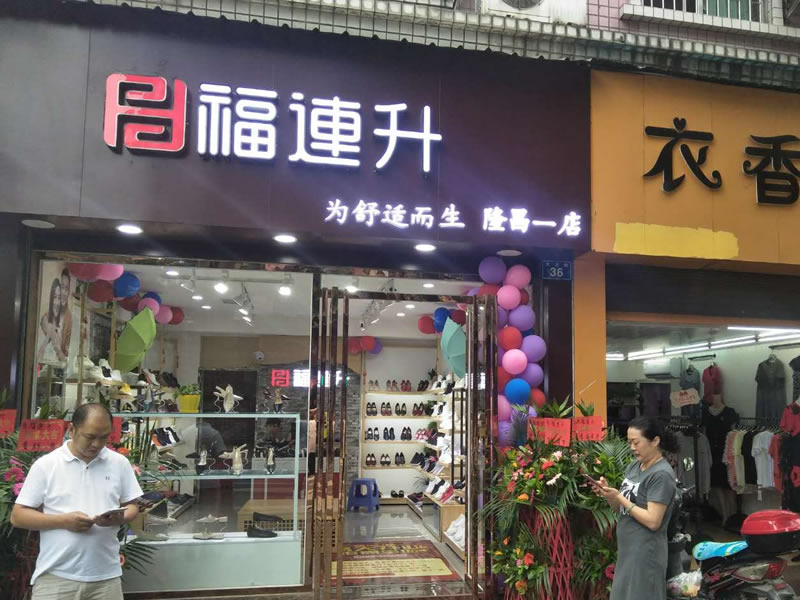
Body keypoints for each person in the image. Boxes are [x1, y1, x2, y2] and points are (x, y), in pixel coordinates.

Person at [11, 403, 142, 600]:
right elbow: (18, 516)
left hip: (106, 577)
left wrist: (119, 518)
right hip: (56, 577)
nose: (97, 444)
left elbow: (132, 505)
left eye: (104, 437)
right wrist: (64, 521)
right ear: (72, 430)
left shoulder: (119, 463)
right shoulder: (47, 465)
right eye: (90, 436)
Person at [593, 416, 678, 600]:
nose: (632, 447)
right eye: (629, 442)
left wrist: (620, 498)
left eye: (636, 442)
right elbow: (621, 510)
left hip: (646, 552)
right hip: (628, 550)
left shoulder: (661, 475)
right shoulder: (634, 467)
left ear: (655, 441)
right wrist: (609, 495)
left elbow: (653, 521)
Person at [37, 278, 64, 363]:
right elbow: (38, 357)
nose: (57, 302)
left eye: (59, 298)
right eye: (55, 297)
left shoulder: (59, 322)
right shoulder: (46, 318)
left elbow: (61, 356)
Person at [58, 268, 74, 361]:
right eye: (62, 287)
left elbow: (67, 346)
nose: (64, 292)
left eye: (66, 289)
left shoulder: (69, 318)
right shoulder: (49, 313)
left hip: (59, 362)